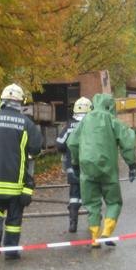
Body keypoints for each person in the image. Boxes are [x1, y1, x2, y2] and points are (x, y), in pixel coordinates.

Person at [66, 93, 136, 248]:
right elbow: (128, 141)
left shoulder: (84, 121)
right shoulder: (112, 121)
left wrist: (75, 164)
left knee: (92, 204)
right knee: (114, 201)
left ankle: (95, 238)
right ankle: (107, 232)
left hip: (87, 168)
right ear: (110, 106)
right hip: (108, 168)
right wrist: (132, 165)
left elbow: (72, 143)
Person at [0, 83, 42, 261]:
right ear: (21, 103)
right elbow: (36, 149)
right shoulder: (27, 124)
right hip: (16, 183)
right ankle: (11, 251)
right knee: (14, 219)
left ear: (2, 100)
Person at [55, 97, 91, 233]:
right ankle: (94, 222)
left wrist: (67, 151)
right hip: (91, 169)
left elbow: (59, 144)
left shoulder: (70, 126)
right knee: (92, 195)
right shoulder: (93, 125)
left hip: (73, 169)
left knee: (74, 195)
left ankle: (73, 222)